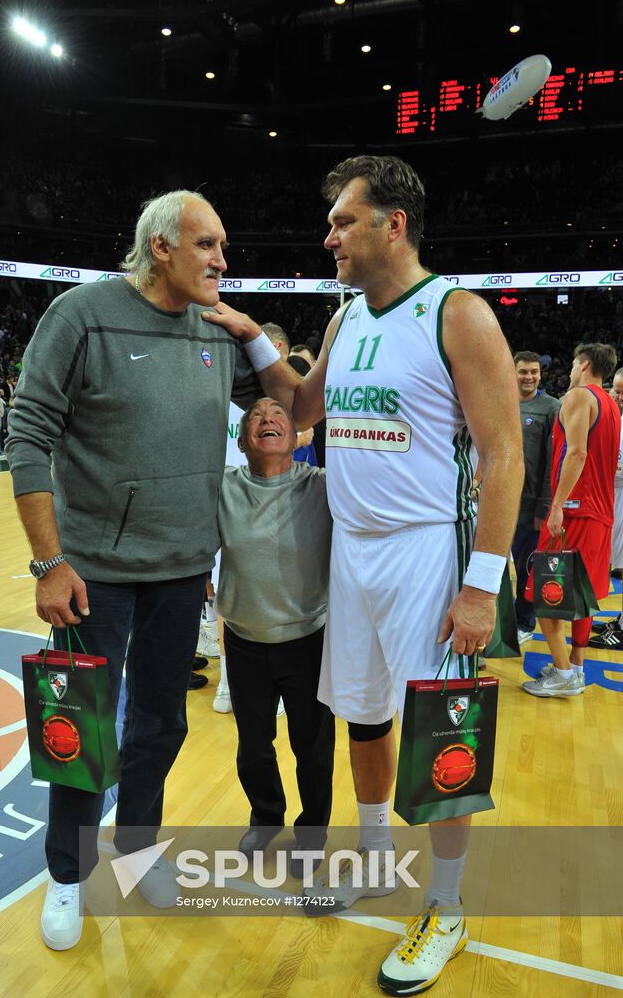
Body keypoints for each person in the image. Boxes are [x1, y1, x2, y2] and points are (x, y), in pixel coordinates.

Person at [204, 154, 523, 997]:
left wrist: (481, 584)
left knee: (439, 735)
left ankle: (447, 910)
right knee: (366, 718)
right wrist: (251, 335)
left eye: (344, 220)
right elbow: (301, 409)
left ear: (395, 224)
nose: (330, 235)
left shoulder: (456, 313)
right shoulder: (346, 318)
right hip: (351, 548)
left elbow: (504, 456)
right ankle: (375, 859)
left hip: (430, 548)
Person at [5, 189, 296, 952]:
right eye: (208, 245)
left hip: (180, 572)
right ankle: (66, 875)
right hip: (90, 573)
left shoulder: (215, 330)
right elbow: (28, 433)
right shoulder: (81, 315)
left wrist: (251, 337)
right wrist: (49, 560)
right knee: (82, 730)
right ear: (161, 246)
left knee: (160, 722)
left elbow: (293, 405)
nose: (222, 262)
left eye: (222, 246)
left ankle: (134, 851)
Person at [217, 396, 334, 875]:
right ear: (243, 441)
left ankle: (312, 834)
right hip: (243, 640)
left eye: (279, 414)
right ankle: (266, 817)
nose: (268, 419)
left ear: (297, 435)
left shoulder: (323, 487)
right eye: (257, 417)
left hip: (308, 640)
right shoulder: (221, 488)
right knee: (254, 744)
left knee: (312, 747)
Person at [523, 343, 620, 697]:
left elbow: (577, 453)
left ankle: (563, 676)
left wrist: (558, 505)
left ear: (584, 363)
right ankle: (576, 666)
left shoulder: (578, 397)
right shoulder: (611, 403)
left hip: (576, 512)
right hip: (601, 515)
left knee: (543, 595)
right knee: (582, 598)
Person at [511, 351, 561, 643]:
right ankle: (503, 619)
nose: (528, 377)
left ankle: (524, 623)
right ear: (513, 372)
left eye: (534, 372)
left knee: (527, 564)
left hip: (531, 504)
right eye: (523, 372)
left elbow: (553, 464)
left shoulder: (551, 408)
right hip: (504, 498)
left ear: (540, 374)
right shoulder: (503, 402)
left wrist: (545, 507)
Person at [589, 368, 623, 649]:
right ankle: (621, 621)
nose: (619, 396)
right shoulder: (618, 417)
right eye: (618, 390)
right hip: (616, 497)